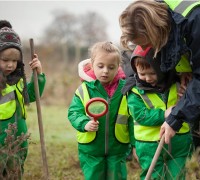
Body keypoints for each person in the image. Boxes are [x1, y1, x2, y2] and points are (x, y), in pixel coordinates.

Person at [119, 0, 200, 148]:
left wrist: (175, 118)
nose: (145, 49)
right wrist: (184, 70)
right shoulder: (163, 16)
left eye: (146, 43)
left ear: (155, 30)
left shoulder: (194, 19)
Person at [68, 41, 134, 180]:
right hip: (91, 149)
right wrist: (84, 123)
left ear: (118, 67)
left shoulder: (126, 90)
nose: (105, 71)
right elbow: (74, 113)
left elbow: (132, 119)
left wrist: (135, 144)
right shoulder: (84, 89)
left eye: (111, 67)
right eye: (100, 66)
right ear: (92, 65)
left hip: (118, 148)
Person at [128, 45, 193, 179]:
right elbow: (140, 115)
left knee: (178, 175)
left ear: (162, 69)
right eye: (142, 74)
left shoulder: (177, 83)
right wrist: (164, 114)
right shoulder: (135, 92)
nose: (147, 78)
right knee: (154, 176)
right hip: (149, 143)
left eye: (152, 73)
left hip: (178, 140)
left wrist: (185, 94)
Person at [0, 20, 46, 178]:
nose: (10, 65)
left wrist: (38, 75)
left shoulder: (18, 80)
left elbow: (32, 95)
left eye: (14, 61)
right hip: (0, 141)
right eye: (5, 60)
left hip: (19, 139)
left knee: (15, 172)